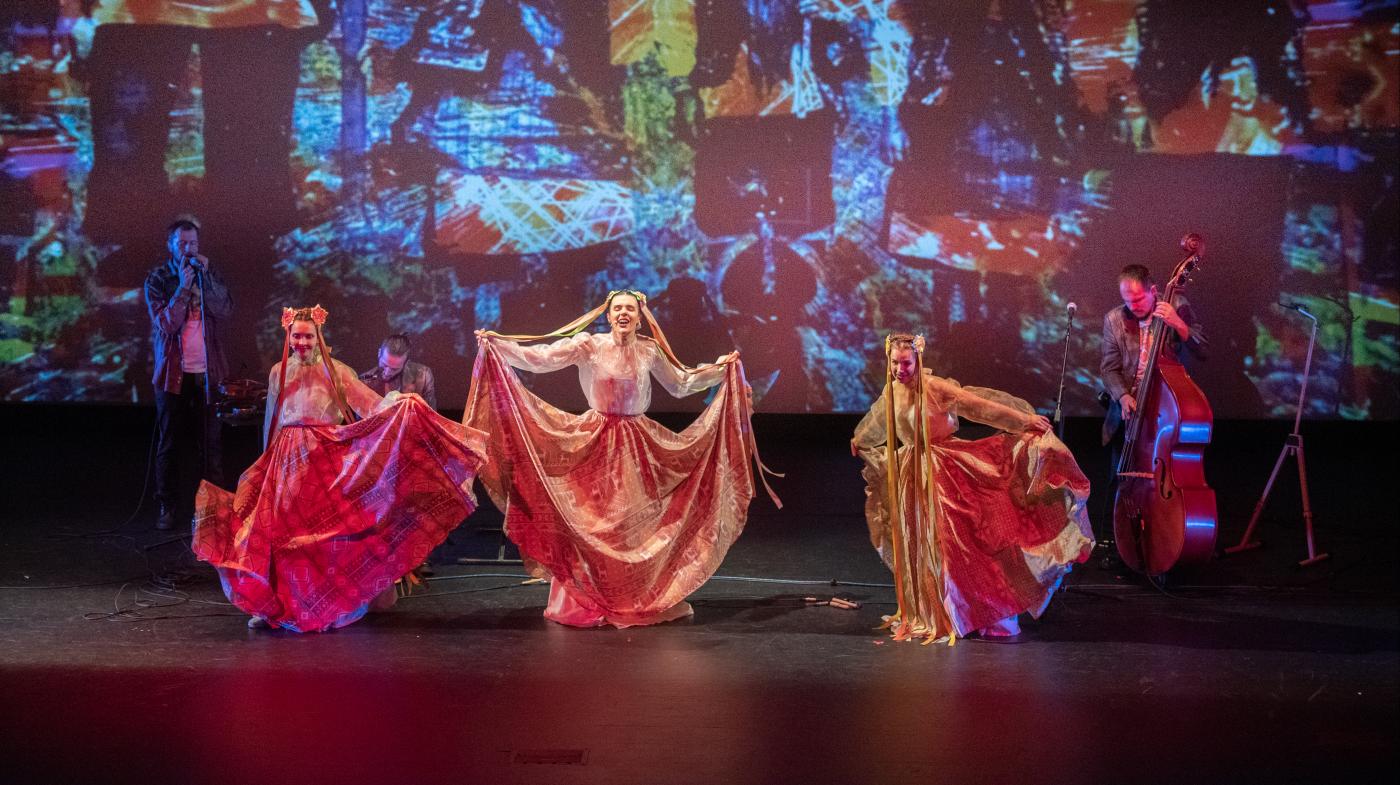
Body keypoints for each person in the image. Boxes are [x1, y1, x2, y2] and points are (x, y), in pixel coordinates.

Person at [466, 289, 778, 627]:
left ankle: (632, 597)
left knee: (629, 526)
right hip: (594, 439)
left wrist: (720, 370)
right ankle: (582, 602)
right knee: (591, 523)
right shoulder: (590, 345)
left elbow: (681, 383)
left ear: (639, 316)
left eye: (630, 309)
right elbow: (543, 358)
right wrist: (500, 346)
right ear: (609, 314)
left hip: (635, 443)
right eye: (618, 309)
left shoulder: (648, 350)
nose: (623, 314)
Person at [192, 305, 487, 632]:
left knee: (322, 537)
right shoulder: (279, 371)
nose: (302, 343)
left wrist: (401, 403)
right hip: (284, 459)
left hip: (321, 457)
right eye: (296, 336)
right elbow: (272, 417)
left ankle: (333, 602)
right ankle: (272, 605)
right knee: (274, 533)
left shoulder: (338, 371)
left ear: (319, 338)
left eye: (308, 336)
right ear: (288, 337)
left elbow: (371, 406)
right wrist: (266, 459)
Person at [851, 334, 1093, 644]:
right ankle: (942, 611)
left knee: (963, 544)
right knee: (926, 545)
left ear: (918, 361)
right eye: (895, 363)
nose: (900, 369)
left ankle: (989, 611)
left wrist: (1024, 421)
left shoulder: (935, 388)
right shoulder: (893, 390)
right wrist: (860, 440)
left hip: (945, 469)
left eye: (906, 363)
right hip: (913, 473)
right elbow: (878, 421)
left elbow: (980, 407)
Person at [144, 218, 233, 530]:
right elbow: (166, 323)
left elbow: (224, 311)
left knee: (211, 444)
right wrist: (183, 288)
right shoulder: (158, 278)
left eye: (193, 243)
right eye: (182, 243)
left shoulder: (209, 273)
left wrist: (205, 281)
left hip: (208, 374)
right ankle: (168, 506)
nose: (189, 249)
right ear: (171, 246)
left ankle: (215, 509)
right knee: (169, 444)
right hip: (172, 375)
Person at [359, 333, 437, 408]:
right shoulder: (365, 380)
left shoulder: (423, 375)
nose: (387, 372)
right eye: (384, 365)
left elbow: (431, 415)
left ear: (406, 363)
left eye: (394, 369)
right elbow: (361, 420)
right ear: (379, 353)